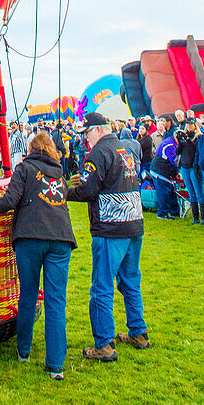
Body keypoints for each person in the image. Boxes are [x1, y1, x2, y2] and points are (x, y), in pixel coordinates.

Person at [0, 131, 76, 379]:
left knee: (27, 295)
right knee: (56, 301)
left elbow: (10, 199)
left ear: (30, 149)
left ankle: (24, 350)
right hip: (61, 240)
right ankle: (56, 365)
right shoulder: (59, 172)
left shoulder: (25, 168)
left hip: (30, 238)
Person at [67, 112, 147, 362]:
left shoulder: (98, 153)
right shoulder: (125, 149)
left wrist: (66, 192)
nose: (85, 139)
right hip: (134, 225)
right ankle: (138, 332)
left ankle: (104, 344)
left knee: (102, 286)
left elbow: (90, 190)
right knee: (130, 281)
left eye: (87, 133)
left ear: (98, 130)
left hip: (110, 228)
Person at [175, 118, 204, 224]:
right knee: (191, 192)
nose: (189, 126)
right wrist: (180, 142)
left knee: (199, 192)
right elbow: (177, 151)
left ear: (195, 125)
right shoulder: (184, 136)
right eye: (188, 124)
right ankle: (195, 217)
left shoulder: (198, 136)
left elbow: (196, 150)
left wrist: (187, 141)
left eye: (191, 124)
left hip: (194, 166)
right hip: (185, 167)